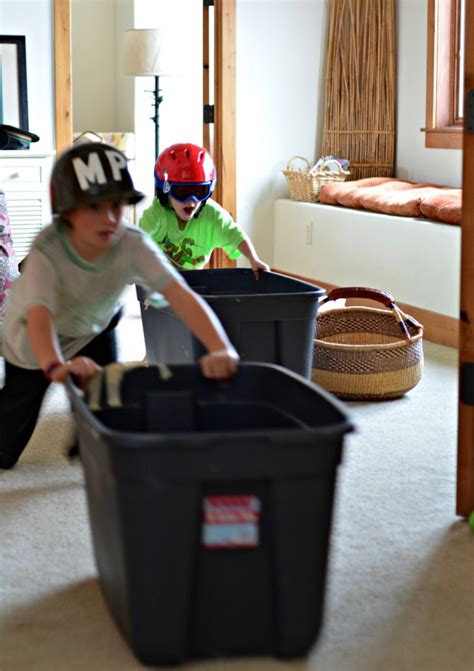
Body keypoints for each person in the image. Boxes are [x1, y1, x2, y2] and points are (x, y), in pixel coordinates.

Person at [0, 141, 239, 470]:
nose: (110, 218)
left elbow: (180, 295)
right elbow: (38, 316)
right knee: (5, 444)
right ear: (67, 210)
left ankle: (86, 443)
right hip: (32, 340)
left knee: (105, 403)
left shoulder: (132, 243)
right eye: (95, 208)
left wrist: (220, 347)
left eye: (117, 206)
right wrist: (56, 366)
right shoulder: (48, 252)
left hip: (95, 325)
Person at [139, 142, 270, 275]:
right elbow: (135, 240)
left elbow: (236, 235)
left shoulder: (212, 215)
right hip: (158, 280)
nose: (192, 201)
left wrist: (254, 259)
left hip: (194, 283)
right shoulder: (157, 213)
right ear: (165, 190)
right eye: (182, 192)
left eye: (200, 191)